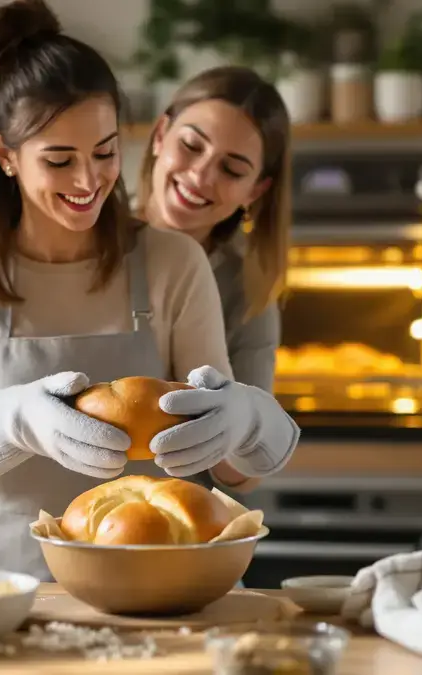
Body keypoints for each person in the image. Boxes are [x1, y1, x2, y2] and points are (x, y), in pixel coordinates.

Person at [0, 0, 300, 579]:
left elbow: (232, 465)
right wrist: (10, 420)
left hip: (170, 583)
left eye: (106, 152)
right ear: (5, 155)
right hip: (10, 586)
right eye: (59, 160)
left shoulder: (174, 261)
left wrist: (245, 420)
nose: (88, 181)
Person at [136, 66, 293, 491]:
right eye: (190, 145)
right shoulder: (79, 240)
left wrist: (240, 426)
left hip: (176, 519)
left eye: (233, 169)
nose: (201, 176)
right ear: (160, 135)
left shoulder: (249, 287)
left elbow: (242, 474)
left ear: (256, 191)